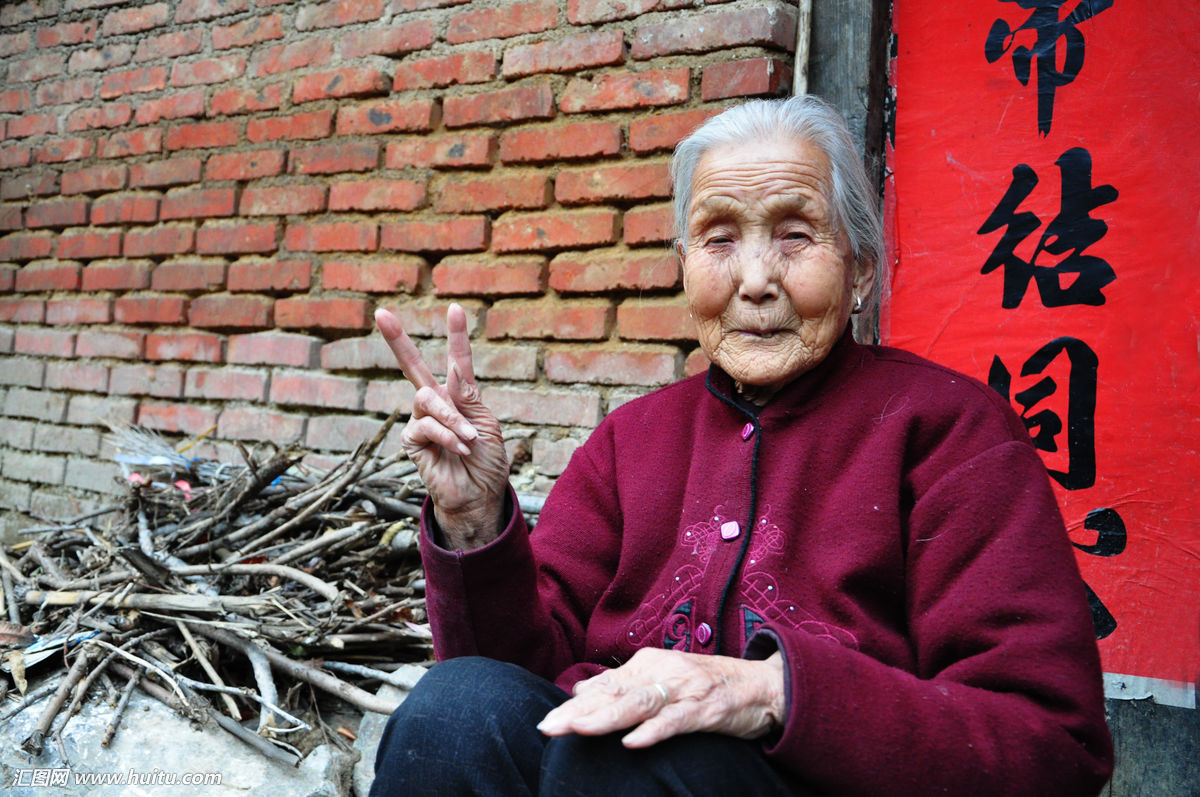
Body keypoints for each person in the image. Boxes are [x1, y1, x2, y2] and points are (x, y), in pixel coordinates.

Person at [368, 95, 1113, 796]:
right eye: (720, 239)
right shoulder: (632, 441)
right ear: (685, 267)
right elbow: (520, 677)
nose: (755, 280)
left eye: (795, 235)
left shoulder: (951, 429)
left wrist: (772, 693)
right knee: (454, 712)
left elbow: (1050, 742)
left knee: (640, 756)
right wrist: (473, 519)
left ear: (858, 270)